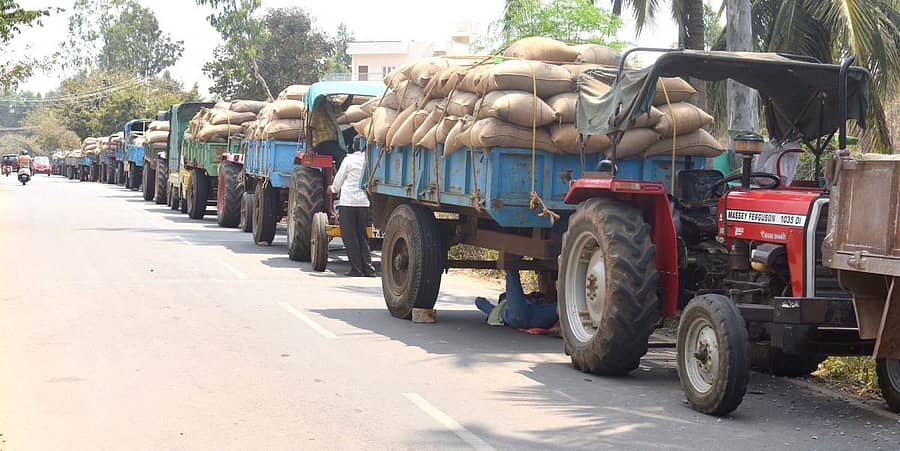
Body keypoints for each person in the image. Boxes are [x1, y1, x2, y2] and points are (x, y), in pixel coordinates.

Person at [330, 136, 375, 277]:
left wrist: (333, 189)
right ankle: (368, 268)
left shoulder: (348, 160)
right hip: (363, 203)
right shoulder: (369, 161)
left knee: (350, 237)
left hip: (348, 203)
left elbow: (338, 180)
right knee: (362, 236)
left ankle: (356, 269)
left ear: (353, 147)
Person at [475, 271, 559, 330]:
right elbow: (479, 302)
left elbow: (479, 301)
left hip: (534, 315)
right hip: (517, 317)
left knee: (563, 309)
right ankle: (512, 260)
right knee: (511, 272)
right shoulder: (499, 310)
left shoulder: (495, 311)